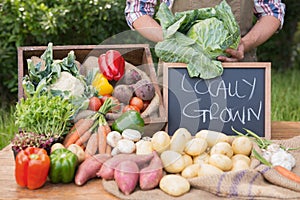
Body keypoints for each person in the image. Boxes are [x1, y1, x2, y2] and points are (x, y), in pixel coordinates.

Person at [125, 0, 285, 62]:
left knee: (240, 135)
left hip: (237, 75)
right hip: (180, 71)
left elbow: (273, 12)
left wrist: (245, 44)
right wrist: (172, 42)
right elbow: (137, 10)